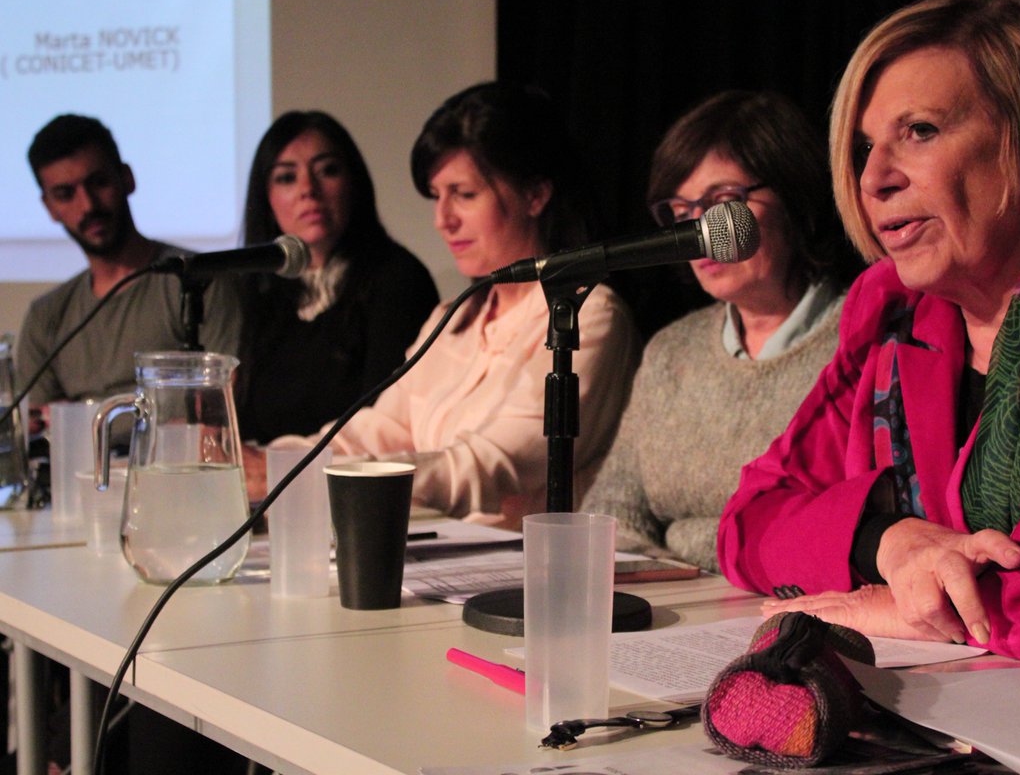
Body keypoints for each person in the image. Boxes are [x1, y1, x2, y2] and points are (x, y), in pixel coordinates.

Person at [718, 0, 1020, 673]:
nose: (873, 179)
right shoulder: (889, 310)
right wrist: (891, 544)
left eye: (920, 131)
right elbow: (749, 520)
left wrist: (955, 608)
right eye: (864, 147)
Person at [270, 82, 640, 526]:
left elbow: (495, 464)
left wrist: (319, 479)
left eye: (463, 194)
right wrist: (277, 462)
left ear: (535, 195)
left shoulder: (590, 315)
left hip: (527, 561)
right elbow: (383, 429)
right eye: (436, 196)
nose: (442, 220)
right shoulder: (453, 316)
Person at [581, 91, 860, 571]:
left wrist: (698, 563)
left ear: (793, 198)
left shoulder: (860, 341)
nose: (699, 230)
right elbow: (612, 510)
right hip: (680, 601)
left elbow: (844, 530)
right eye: (681, 212)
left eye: (724, 202)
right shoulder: (673, 349)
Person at [235, 111, 439, 444]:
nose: (308, 190)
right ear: (266, 199)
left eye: (327, 170)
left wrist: (273, 463)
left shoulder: (399, 279)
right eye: (287, 178)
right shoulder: (259, 291)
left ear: (353, 183)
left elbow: (384, 425)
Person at [16, 114, 241, 408]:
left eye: (98, 182)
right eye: (65, 194)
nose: (88, 205)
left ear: (126, 178)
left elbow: (219, 411)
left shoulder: (198, 279)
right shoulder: (46, 317)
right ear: (50, 207)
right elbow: (38, 423)